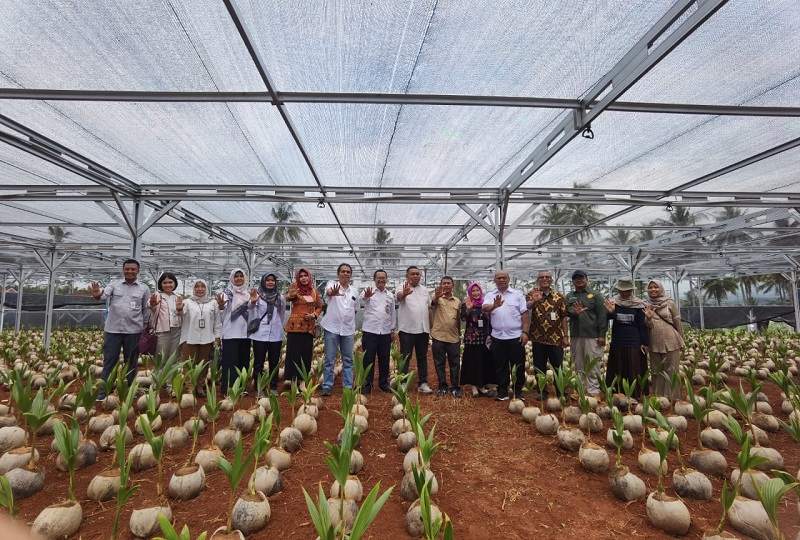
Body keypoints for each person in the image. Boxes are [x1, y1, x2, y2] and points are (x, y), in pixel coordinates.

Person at [89, 259, 151, 398]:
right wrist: (97, 294)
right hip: (113, 330)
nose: (130, 271)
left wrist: (146, 328)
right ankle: (105, 391)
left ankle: (129, 391)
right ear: (123, 270)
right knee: (110, 361)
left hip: (134, 330)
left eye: (133, 269)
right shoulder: (114, 285)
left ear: (138, 271)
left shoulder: (144, 288)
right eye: (127, 269)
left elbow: (146, 310)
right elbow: (103, 295)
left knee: (131, 362)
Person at [482, 270, 530, 401]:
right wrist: (494, 305)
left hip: (515, 335)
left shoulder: (517, 294)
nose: (501, 280)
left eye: (504, 278)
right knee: (500, 365)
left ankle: (518, 391)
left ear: (509, 279)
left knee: (518, 365)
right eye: (498, 278)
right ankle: (502, 391)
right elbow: (484, 308)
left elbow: (525, 314)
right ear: (495, 280)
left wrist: (525, 332)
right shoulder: (491, 295)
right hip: (497, 336)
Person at [526, 270, 568, 400]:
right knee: (539, 366)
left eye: (547, 277)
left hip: (555, 338)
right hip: (538, 337)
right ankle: (542, 391)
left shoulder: (559, 297)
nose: (544, 279)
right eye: (541, 277)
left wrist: (565, 335)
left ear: (551, 280)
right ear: (538, 280)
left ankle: (561, 391)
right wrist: (534, 301)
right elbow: (525, 309)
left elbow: (563, 317)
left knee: (558, 367)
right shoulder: (531, 295)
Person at [604, 278, 649, 398]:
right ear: (618, 290)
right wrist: (611, 313)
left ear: (631, 291)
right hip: (618, 339)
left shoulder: (638, 305)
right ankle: (617, 393)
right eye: (622, 291)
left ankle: (634, 395)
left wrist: (645, 342)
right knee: (617, 365)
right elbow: (606, 318)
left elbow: (642, 324)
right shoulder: (613, 302)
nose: (625, 293)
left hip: (634, 339)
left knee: (633, 366)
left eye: (628, 291)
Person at [566, 270, 608, 396]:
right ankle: (581, 388)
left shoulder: (596, 295)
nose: (579, 280)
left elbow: (602, 316)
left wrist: (602, 335)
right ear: (573, 281)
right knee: (578, 363)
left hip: (592, 335)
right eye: (576, 279)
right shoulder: (569, 296)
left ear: (586, 279)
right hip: (576, 334)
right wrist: (575, 313)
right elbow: (567, 312)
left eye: (581, 278)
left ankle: (593, 390)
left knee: (592, 363)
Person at [320, 263, 359, 396]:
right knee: (330, 358)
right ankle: (327, 385)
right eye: (343, 271)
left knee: (348, 359)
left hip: (347, 330)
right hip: (332, 328)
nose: (345, 274)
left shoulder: (354, 291)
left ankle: (347, 386)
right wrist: (333, 293)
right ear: (338, 274)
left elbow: (356, 310)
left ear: (351, 275)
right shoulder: (332, 285)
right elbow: (328, 293)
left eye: (348, 272)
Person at [644, 279, 685, 400]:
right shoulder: (646, 305)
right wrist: (649, 318)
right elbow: (647, 326)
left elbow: (677, 321)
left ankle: (673, 397)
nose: (653, 290)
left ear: (661, 289)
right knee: (656, 370)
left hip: (671, 340)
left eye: (655, 287)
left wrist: (681, 339)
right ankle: (659, 397)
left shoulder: (669, 303)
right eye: (650, 288)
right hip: (654, 341)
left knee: (672, 370)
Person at [179, 278, 220, 398]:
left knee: (204, 364)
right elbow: (180, 314)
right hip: (189, 337)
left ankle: (200, 386)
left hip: (207, 337)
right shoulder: (187, 302)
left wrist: (217, 336)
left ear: (206, 288)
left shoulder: (213, 302)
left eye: (203, 286)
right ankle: (189, 387)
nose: (200, 289)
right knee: (188, 363)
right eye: (197, 286)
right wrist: (178, 309)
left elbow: (217, 320)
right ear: (194, 288)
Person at [216, 268, 253, 397]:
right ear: (232, 278)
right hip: (230, 333)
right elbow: (221, 313)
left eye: (241, 276)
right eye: (236, 276)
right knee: (230, 362)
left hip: (245, 334)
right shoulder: (226, 294)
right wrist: (220, 306)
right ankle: (228, 389)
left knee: (243, 362)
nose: (238, 278)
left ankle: (241, 387)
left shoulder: (248, 294)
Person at [396, 265, 433, 393]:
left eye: (418, 274)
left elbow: (429, 307)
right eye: (412, 274)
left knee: (422, 357)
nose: (416, 276)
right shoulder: (402, 286)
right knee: (405, 357)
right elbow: (399, 296)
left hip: (423, 329)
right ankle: (403, 382)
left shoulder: (424, 290)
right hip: (407, 329)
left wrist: (431, 326)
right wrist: (404, 293)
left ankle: (423, 383)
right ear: (407, 276)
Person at [249, 273, 286, 397]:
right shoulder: (257, 296)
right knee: (259, 363)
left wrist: (276, 324)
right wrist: (253, 302)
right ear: (263, 282)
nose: (270, 282)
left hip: (275, 334)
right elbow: (252, 309)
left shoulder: (280, 297)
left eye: (273, 280)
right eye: (268, 280)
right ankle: (258, 388)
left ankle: (273, 386)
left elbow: (281, 314)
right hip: (260, 334)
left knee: (274, 362)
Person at [285, 268, 323, 387]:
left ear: (309, 277)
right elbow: (288, 298)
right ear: (298, 278)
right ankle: (293, 382)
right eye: (301, 276)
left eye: (305, 276)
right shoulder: (295, 289)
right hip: (294, 328)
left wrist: (313, 315)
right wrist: (291, 294)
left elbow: (319, 306)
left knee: (305, 355)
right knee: (293, 355)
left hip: (308, 328)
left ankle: (302, 383)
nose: (303, 278)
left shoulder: (314, 291)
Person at [360, 269, 396, 394]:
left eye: (383, 277)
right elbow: (361, 299)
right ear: (374, 279)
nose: (381, 279)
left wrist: (392, 330)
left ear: (386, 279)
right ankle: (367, 384)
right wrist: (367, 296)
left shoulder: (390, 295)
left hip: (385, 332)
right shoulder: (368, 291)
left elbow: (392, 313)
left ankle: (383, 383)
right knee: (368, 359)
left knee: (384, 358)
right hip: (370, 331)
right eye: (378, 277)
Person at [149, 272, 183, 394]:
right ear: (161, 284)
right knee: (160, 360)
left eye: (170, 282)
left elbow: (182, 313)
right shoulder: (157, 296)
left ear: (174, 283)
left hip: (177, 329)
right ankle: (155, 386)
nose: (168, 285)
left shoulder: (178, 296)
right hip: (162, 330)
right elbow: (150, 306)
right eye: (165, 282)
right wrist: (152, 303)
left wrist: (180, 310)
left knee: (174, 359)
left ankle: (171, 386)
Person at [460, 282, 493, 398]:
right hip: (471, 338)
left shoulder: (485, 304)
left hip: (484, 338)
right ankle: (474, 386)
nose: (475, 293)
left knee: (482, 362)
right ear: (470, 292)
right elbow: (463, 318)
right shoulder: (466, 303)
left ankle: (481, 385)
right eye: (473, 291)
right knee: (473, 362)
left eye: (477, 290)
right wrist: (468, 309)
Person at [430, 276, 462, 397]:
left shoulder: (457, 301)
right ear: (441, 285)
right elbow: (432, 302)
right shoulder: (438, 299)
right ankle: (442, 386)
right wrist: (437, 295)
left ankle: (455, 387)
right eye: (444, 283)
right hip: (438, 336)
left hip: (454, 337)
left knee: (455, 363)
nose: (447, 285)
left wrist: (459, 334)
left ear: (452, 286)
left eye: (449, 283)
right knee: (439, 362)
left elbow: (458, 319)